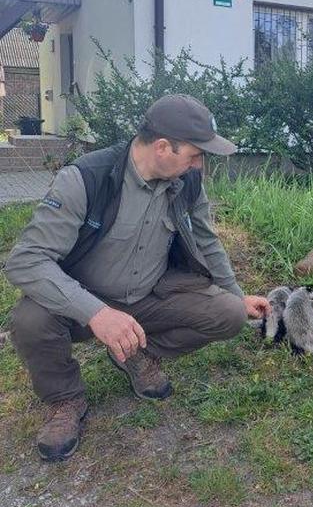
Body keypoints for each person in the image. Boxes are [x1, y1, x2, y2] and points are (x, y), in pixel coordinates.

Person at [6, 94, 270, 462]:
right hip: (84, 303)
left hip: (149, 296)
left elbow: (207, 241)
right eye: (196, 155)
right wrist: (97, 313)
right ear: (163, 147)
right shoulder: (87, 179)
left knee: (229, 313)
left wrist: (236, 293)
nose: (200, 166)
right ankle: (65, 399)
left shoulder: (187, 182)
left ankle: (135, 354)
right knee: (29, 318)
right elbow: (27, 261)